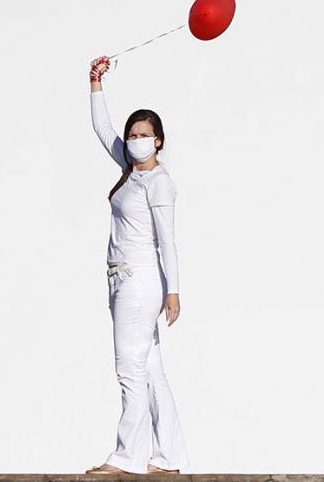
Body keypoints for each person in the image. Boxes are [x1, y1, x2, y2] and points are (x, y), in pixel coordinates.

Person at [86, 56, 188, 475]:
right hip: (120, 280)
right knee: (151, 370)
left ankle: (129, 456)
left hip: (140, 280)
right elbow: (102, 129)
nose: (136, 140)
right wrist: (95, 83)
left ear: (159, 141)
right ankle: (169, 457)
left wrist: (173, 291)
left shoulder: (159, 181)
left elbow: (168, 241)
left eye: (145, 135)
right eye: (133, 135)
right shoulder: (129, 170)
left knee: (128, 366)